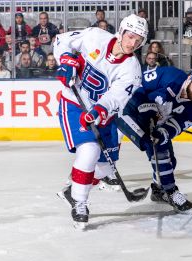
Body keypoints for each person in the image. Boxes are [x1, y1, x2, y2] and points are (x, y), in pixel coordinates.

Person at [54, 14, 148, 228]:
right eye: (131, 36)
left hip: (102, 114)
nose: (132, 43)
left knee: (105, 168)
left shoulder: (132, 70)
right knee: (89, 151)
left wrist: (98, 110)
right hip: (73, 104)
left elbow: (115, 97)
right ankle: (79, 202)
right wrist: (66, 60)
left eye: (138, 40)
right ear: (122, 31)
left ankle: (71, 190)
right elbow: (62, 41)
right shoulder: (95, 36)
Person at [116, 63, 192, 214]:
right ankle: (170, 191)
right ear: (190, 78)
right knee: (154, 147)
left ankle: (158, 190)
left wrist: (163, 133)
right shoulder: (170, 75)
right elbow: (138, 83)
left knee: (169, 159)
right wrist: (146, 106)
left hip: (153, 124)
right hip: (129, 110)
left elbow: (173, 127)